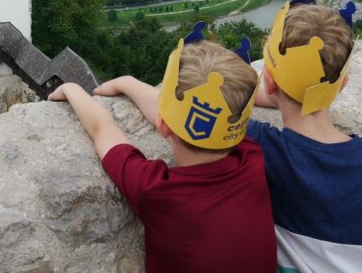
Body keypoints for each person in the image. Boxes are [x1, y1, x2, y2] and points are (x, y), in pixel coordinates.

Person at [49, 24, 276, 272]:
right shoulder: (252, 157)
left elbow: (101, 128)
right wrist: (129, 83)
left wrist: (71, 88)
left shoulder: (156, 190)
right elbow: (198, 118)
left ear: (162, 125)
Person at [248, 0, 362, 272]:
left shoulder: (260, 148)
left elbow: (178, 109)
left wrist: (275, 88)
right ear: (342, 84)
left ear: (269, 83)